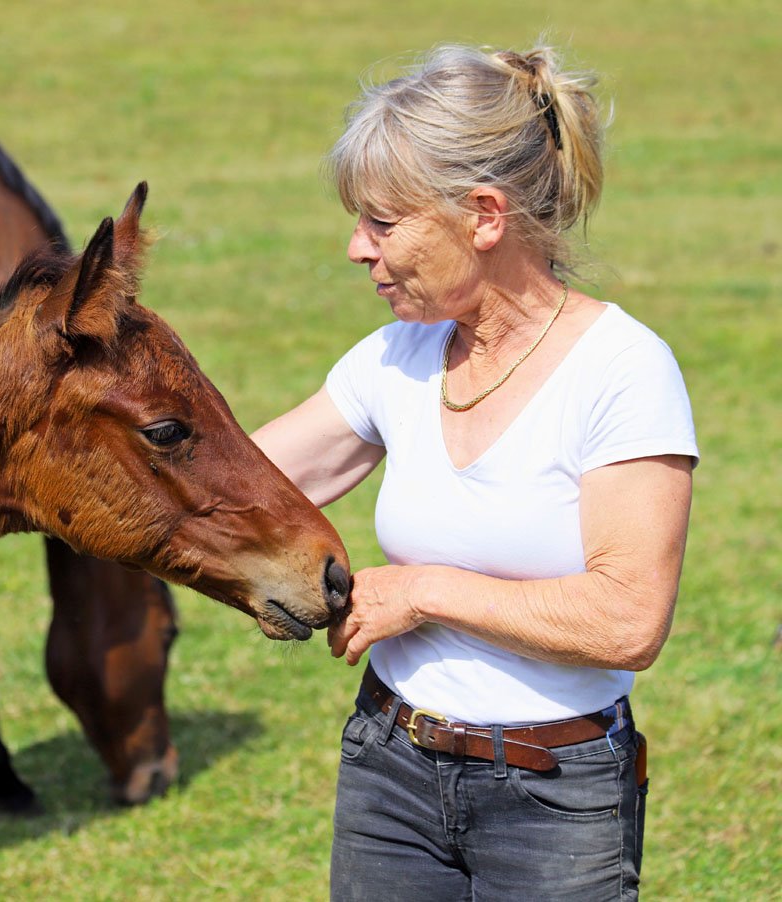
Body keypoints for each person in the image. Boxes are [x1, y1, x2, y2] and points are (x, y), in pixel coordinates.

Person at [252, 44, 698, 900]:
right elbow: (234, 489)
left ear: (484, 217)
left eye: (383, 223)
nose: (355, 248)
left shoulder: (622, 370)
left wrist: (423, 592)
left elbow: (629, 620)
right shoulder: (397, 355)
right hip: (388, 768)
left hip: (555, 800)